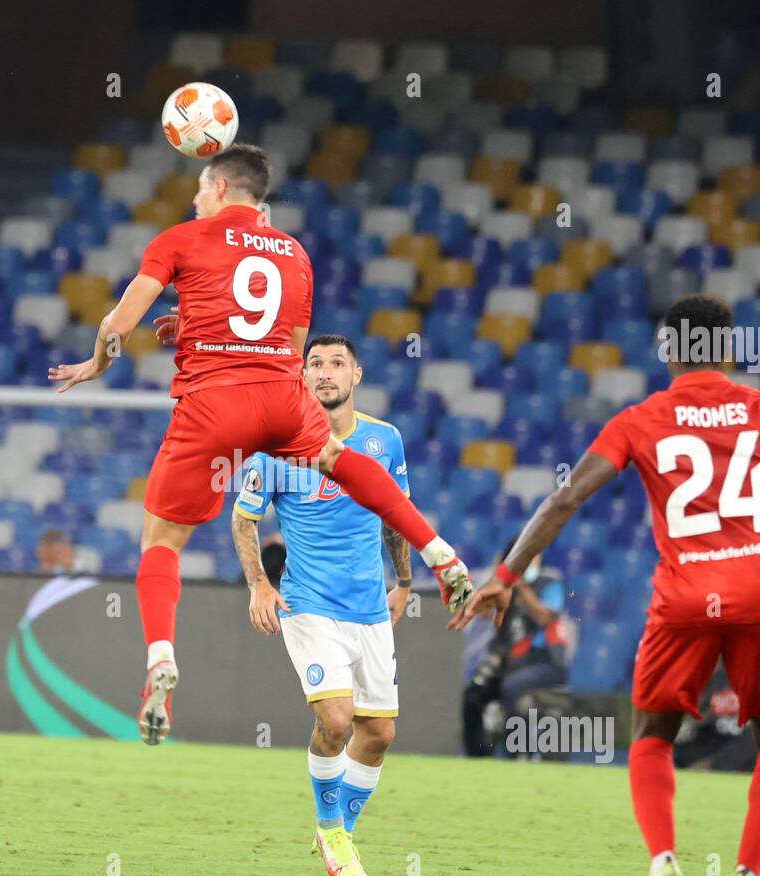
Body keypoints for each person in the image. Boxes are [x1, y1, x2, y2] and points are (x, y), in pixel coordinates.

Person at [450, 294, 760, 876]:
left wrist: (505, 576)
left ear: (668, 352)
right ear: (730, 348)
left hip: (684, 596)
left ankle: (663, 865)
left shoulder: (643, 417)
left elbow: (565, 495)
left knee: (652, 736)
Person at [50, 144, 471, 745]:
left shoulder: (181, 238)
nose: (195, 198)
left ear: (220, 188)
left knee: (161, 540)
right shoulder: (295, 254)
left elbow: (117, 327)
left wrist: (96, 362)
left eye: (199, 187)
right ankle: (442, 555)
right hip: (280, 398)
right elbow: (289, 345)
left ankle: (161, 658)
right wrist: (197, 327)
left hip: (213, 406)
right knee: (342, 463)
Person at [231, 334, 413, 876]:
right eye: (315, 363)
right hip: (307, 605)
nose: (326, 372)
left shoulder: (385, 441)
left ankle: (341, 834)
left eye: (337, 363)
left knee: (378, 732)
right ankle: (330, 828)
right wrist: (260, 585)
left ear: (356, 375)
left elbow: (396, 514)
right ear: (302, 376)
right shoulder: (274, 447)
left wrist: (404, 581)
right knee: (336, 719)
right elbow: (244, 519)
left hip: (369, 609)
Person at [460, 542, 568, 757]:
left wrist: (520, 587)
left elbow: (544, 616)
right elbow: (478, 612)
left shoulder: (550, 583)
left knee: (512, 687)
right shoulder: (504, 588)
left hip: (543, 661)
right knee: (473, 695)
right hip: (509, 662)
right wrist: (495, 581)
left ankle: (518, 755)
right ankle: (477, 756)